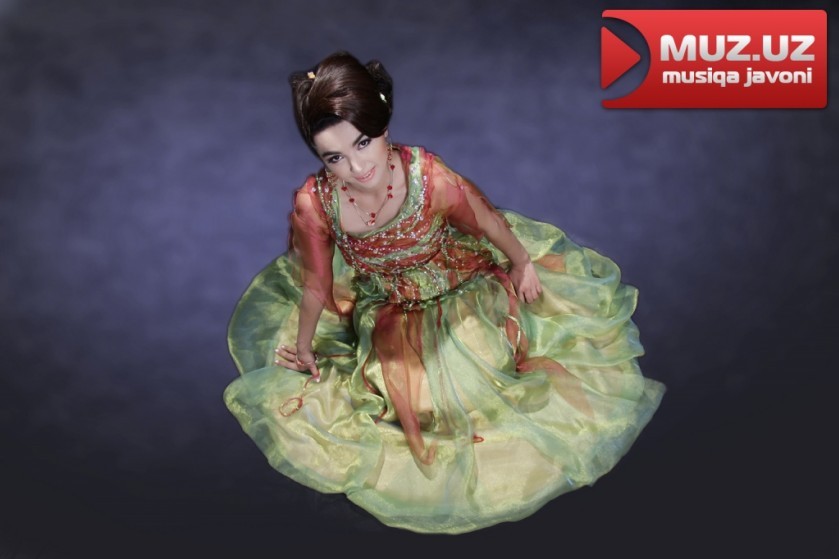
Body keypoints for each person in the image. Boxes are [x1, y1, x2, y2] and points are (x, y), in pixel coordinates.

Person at [223, 50, 666, 534]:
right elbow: (316, 285)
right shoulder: (317, 203)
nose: (357, 165)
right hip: (389, 309)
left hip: (460, 291)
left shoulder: (427, 178)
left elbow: (487, 221)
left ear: (383, 124)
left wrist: (521, 263)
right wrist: (305, 348)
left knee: (473, 383)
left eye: (363, 142)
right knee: (410, 399)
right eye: (334, 157)